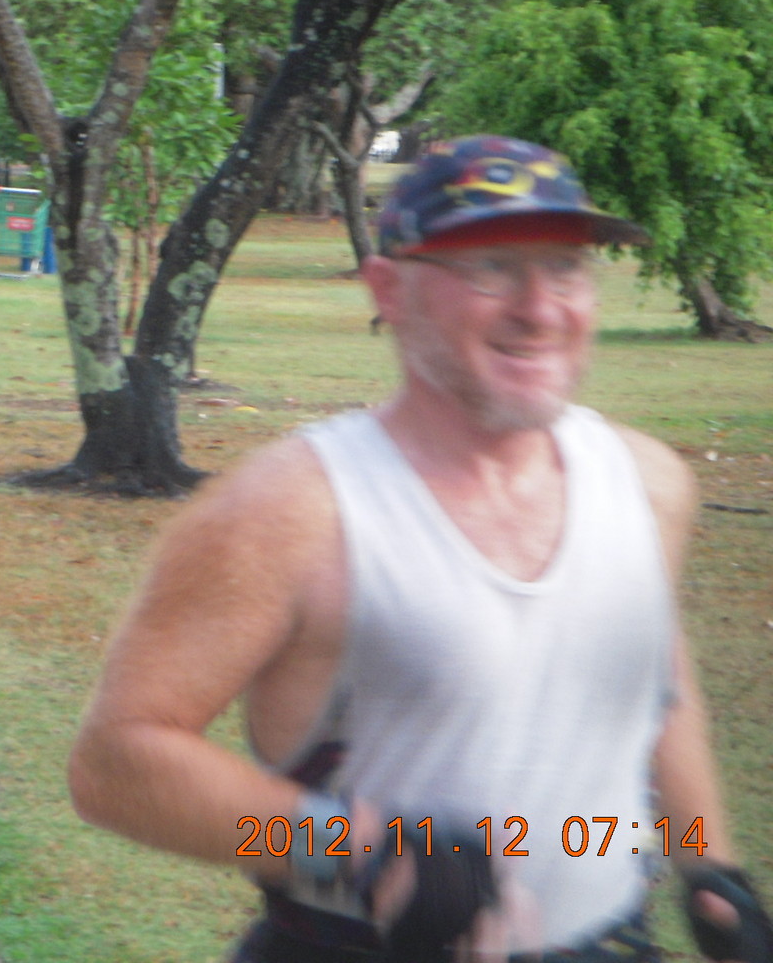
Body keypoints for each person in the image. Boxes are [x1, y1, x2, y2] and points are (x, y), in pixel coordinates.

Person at [69, 136, 770, 963]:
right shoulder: (290, 513)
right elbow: (114, 765)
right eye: (492, 268)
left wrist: (709, 865)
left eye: (565, 268)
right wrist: (358, 855)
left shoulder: (648, 484)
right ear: (389, 289)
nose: (541, 309)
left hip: (608, 939)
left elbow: (656, 680)